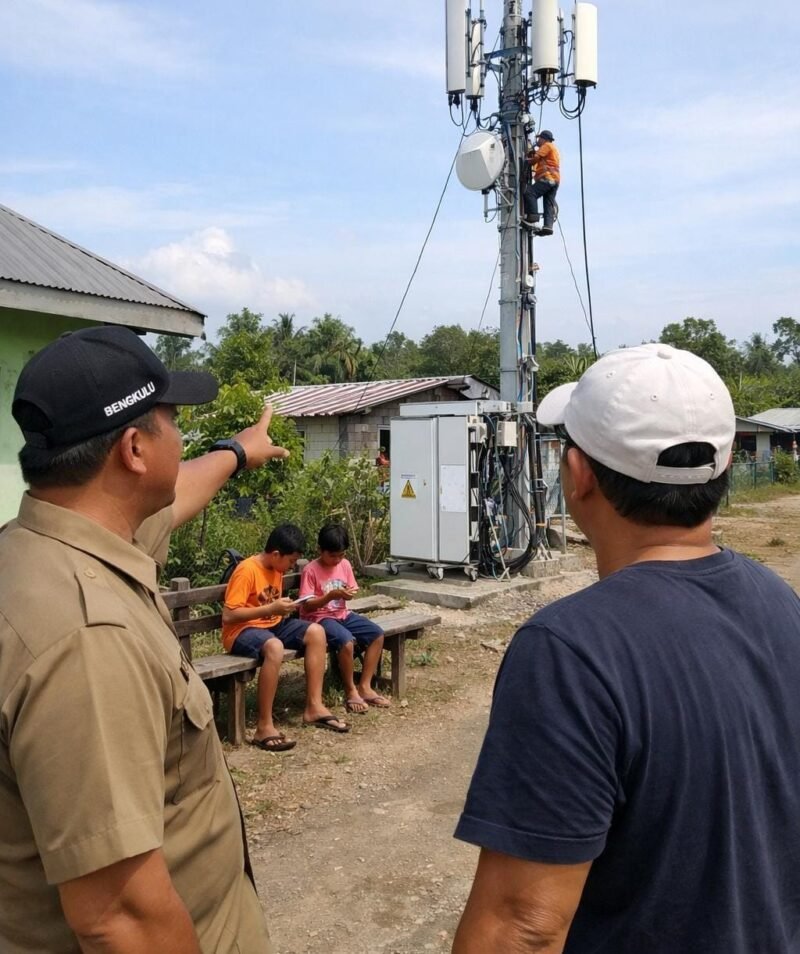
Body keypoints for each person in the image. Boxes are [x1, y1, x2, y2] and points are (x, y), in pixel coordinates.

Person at [453, 343, 800, 954]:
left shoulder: (569, 651)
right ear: (722, 468)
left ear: (578, 474)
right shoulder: (780, 602)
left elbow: (523, 927)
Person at [0, 324, 290, 953]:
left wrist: (237, 451)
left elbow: (179, 493)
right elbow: (120, 917)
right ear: (135, 449)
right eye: (173, 422)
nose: (182, 442)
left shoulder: (49, 544)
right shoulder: (87, 640)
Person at [222, 524, 349, 744]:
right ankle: (264, 726)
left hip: (272, 624)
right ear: (276, 554)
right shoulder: (246, 570)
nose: (291, 567)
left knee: (316, 632)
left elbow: (271, 605)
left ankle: (314, 707)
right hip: (241, 631)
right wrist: (271, 609)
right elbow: (229, 615)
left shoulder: (276, 568)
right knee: (275, 647)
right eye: (291, 561)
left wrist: (284, 608)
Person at [299, 523, 390, 713]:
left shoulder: (345, 565)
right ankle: (350, 689)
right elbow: (306, 605)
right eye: (332, 556)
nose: (337, 560)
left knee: (377, 634)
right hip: (319, 618)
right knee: (346, 641)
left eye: (341, 555)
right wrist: (330, 596)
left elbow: (352, 588)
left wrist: (348, 594)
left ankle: (365, 685)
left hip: (342, 614)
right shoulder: (311, 570)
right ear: (320, 550)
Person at [522, 129, 560, 236]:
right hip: (555, 180)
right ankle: (548, 226)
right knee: (548, 203)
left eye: (539, 139)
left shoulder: (546, 145)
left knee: (530, 192)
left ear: (544, 139)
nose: (538, 141)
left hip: (547, 178)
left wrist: (526, 161)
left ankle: (532, 217)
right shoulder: (553, 149)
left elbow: (536, 158)